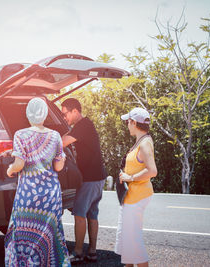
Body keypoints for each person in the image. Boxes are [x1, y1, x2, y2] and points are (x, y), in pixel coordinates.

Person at [4, 97, 71, 267]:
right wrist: (61, 157)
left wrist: (10, 169)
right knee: (49, 234)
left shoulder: (20, 134)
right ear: (46, 114)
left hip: (28, 195)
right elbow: (58, 167)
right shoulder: (55, 136)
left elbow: (19, 164)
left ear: (28, 114)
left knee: (24, 233)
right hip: (50, 196)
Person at [61, 98, 106, 264]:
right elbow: (67, 135)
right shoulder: (84, 125)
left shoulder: (82, 126)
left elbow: (62, 142)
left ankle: (78, 253)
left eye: (65, 113)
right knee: (92, 214)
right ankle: (92, 252)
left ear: (75, 111)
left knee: (80, 215)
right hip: (98, 177)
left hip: (89, 179)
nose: (64, 117)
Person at [115, 107, 158, 267]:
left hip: (137, 197)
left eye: (128, 122)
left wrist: (130, 177)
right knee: (128, 241)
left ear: (134, 123)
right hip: (132, 196)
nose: (127, 124)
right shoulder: (141, 140)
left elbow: (152, 171)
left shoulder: (145, 143)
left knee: (134, 241)